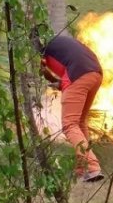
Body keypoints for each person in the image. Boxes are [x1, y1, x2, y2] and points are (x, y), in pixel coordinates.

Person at [36, 33, 105, 183]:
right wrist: (59, 83)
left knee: (69, 124)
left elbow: (41, 70)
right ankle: (83, 168)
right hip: (96, 74)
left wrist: (53, 80)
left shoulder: (42, 50)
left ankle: (92, 167)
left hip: (78, 75)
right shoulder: (58, 41)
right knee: (79, 122)